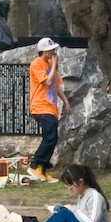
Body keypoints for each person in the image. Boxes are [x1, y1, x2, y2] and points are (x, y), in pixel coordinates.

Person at [40, 164, 109, 222]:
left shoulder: (94, 196)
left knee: (65, 213)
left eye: (71, 184)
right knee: (63, 211)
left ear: (81, 182)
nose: (69, 188)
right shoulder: (83, 196)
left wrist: (73, 209)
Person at [28, 38, 64, 177]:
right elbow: (47, 82)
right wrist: (54, 64)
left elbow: (56, 86)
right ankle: (35, 164)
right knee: (51, 137)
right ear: (44, 51)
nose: (54, 52)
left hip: (51, 107)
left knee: (52, 138)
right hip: (40, 106)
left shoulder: (50, 64)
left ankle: (43, 168)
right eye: (51, 50)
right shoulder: (36, 64)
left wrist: (65, 102)